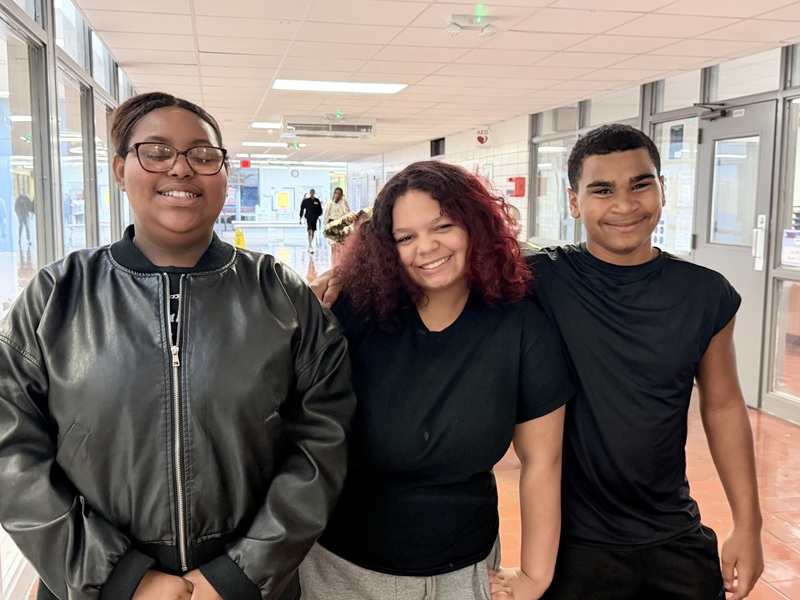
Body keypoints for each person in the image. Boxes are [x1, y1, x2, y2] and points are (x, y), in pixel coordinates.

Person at [312, 126, 764, 600]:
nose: (624, 205)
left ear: (663, 188)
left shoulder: (705, 294)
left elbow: (724, 407)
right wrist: (341, 279)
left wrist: (747, 525)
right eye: (602, 189)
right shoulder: (542, 277)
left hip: (669, 529)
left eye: (640, 184)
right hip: (571, 540)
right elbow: (448, 260)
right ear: (574, 202)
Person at [0, 91, 356, 600]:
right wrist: (122, 579)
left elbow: (324, 440)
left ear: (224, 175)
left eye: (203, 155)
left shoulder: (280, 293)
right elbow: (10, 453)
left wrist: (240, 574)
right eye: (158, 151)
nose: (182, 169)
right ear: (122, 170)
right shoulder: (57, 296)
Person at [299, 160, 573, 600]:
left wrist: (535, 576)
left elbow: (543, 460)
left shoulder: (518, 325)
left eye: (442, 226)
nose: (425, 247)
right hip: (344, 570)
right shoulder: (350, 315)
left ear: (474, 225)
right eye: (405, 237)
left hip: (465, 569)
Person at [321, 187, 350, 265]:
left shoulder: (342, 204)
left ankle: (339, 264)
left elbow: (347, 211)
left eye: (339, 194)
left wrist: (344, 199)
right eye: (336, 193)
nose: (337, 195)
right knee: (333, 246)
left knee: (340, 246)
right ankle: (334, 264)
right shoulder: (329, 204)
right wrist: (325, 228)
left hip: (340, 226)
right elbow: (326, 217)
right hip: (332, 225)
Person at [298, 189, 322, 253]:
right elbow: (302, 209)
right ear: (310, 193)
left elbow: (320, 210)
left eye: (313, 193)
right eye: (311, 193)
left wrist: (318, 215)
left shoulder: (317, 201)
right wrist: (300, 218)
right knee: (309, 231)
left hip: (314, 218)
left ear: (314, 193)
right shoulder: (306, 201)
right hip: (308, 218)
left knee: (313, 232)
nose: (312, 194)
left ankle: (310, 243)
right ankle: (310, 245)